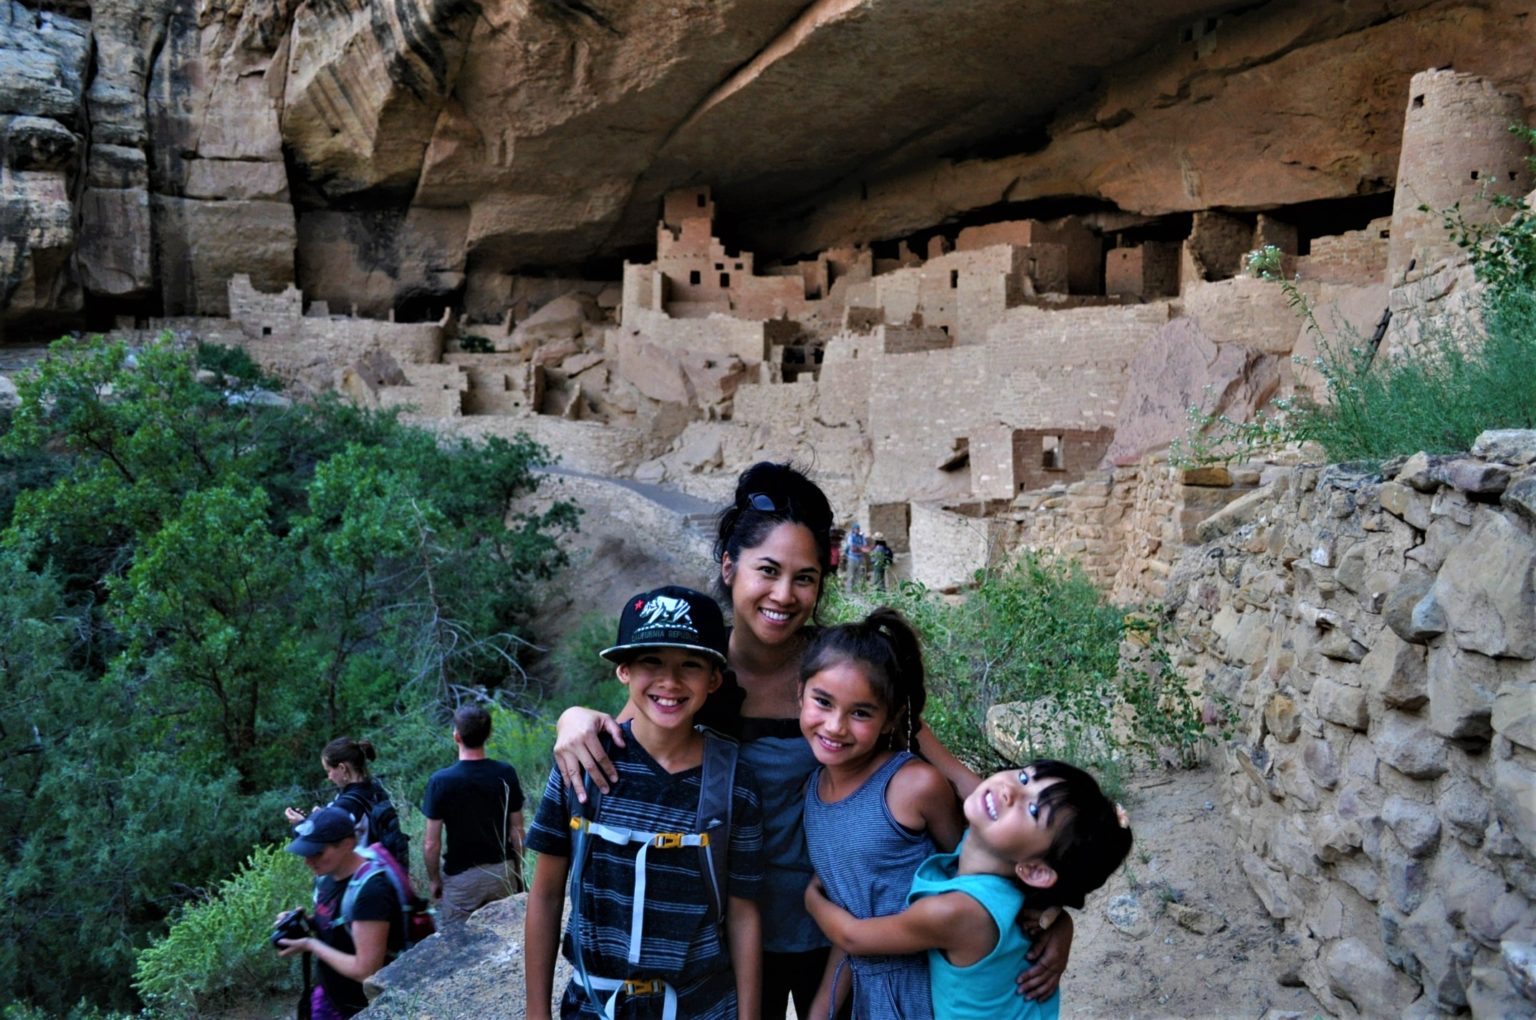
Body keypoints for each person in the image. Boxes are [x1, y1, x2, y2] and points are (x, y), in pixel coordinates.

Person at [554, 461, 1074, 1020]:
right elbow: (630, 741)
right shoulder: (690, 674)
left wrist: (1054, 908)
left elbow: (959, 783)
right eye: (768, 571)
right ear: (729, 567)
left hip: (843, 929)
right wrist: (573, 718)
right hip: (729, 927)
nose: (785, 594)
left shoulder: (843, 671)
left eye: (804, 578)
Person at [525, 585, 765, 1020]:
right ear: (624, 671)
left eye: (690, 664)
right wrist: (535, 1011)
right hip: (594, 1006)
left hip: (701, 1006)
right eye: (651, 662)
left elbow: (743, 914)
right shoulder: (583, 763)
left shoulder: (733, 782)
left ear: (714, 678)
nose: (669, 682)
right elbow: (545, 895)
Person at [806, 761, 1134, 1020]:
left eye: (1034, 811)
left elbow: (854, 937)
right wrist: (1061, 922)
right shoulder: (995, 861)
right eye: (1024, 777)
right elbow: (961, 777)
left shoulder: (959, 912)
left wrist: (812, 897)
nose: (1009, 792)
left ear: (1035, 870)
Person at [800, 608, 965, 1020]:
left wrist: (1051, 921)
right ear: (798, 693)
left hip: (932, 991)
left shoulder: (913, 786)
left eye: (860, 713)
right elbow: (851, 914)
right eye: (822, 702)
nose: (836, 726)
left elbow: (975, 878)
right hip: (868, 1000)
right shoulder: (813, 792)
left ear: (890, 718)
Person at [277, 805, 406, 1019]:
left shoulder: (371, 891)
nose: (309, 860)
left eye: (317, 852)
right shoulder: (326, 877)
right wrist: (305, 922)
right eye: (306, 852)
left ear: (347, 844)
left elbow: (366, 969)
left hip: (361, 1007)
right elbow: (338, 925)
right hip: (330, 997)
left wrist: (310, 944)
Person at [421, 704, 525, 924]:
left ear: (456, 736)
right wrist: (518, 871)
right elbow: (517, 831)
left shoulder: (441, 781)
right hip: (502, 871)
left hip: (461, 880)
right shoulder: (505, 773)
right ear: (488, 735)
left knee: (459, 944)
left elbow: (431, 843)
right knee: (507, 936)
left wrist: (434, 880)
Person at [285, 737, 408, 868]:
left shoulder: (347, 804)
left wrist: (299, 823)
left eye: (329, 771)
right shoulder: (375, 788)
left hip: (361, 872)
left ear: (342, 768)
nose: (329, 777)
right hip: (383, 866)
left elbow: (314, 842)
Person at [842, 523, 867, 592]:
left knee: (859, 574)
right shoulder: (851, 537)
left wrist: (860, 548)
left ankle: (858, 590)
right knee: (851, 574)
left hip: (860, 557)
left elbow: (864, 545)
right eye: (856, 529)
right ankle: (849, 590)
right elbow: (852, 547)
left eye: (858, 529)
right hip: (852, 557)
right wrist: (860, 548)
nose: (857, 530)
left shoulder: (861, 537)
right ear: (853, 530)